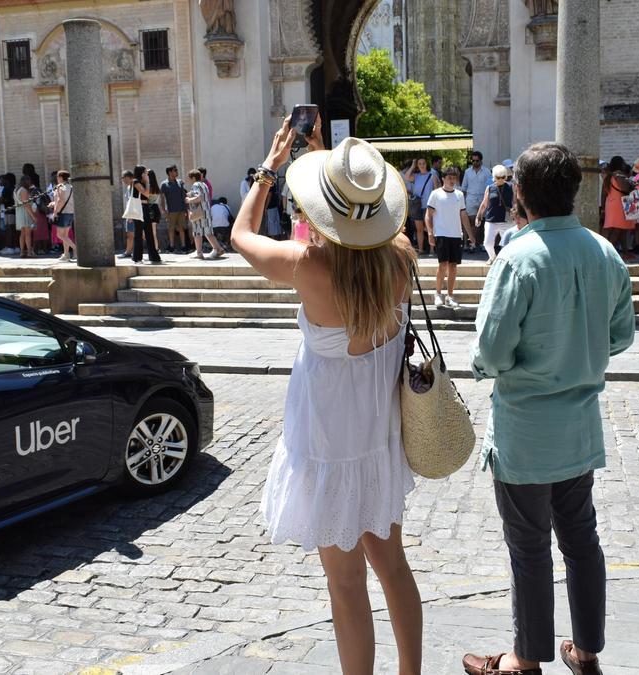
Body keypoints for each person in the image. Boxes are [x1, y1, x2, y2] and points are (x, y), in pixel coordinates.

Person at [234, 118, 422, 675]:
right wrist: (327, 160)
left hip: (327, 447)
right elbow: (373, 236)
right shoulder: (402, 257)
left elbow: (241, 236)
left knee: (345, 587)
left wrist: (271, 168)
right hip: (378, 444)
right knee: (394, 569)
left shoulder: (307, 268)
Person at [464, 142, 634, 675]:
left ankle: (524, 659)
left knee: (530, 548)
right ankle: (585, 652)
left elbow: (490, 354)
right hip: (579, 428)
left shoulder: (517, 257)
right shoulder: (604, 252)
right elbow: (621, 336)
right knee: (582, 539)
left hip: (526, 432)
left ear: (519, 194)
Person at [426, 166, 469, 308]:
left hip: (456, 234)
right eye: (449, 177)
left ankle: (450, 296)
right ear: (443, 178)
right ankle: (438, 294)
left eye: (454, 177)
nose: (452, 180)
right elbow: (428, 214)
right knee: (443, 264)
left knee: (453, 266)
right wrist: (430, 232)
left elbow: (463, 214)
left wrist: (470, 233)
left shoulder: (460, 195)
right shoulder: (435, 194)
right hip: (441, 233)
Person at [477, 164, 515, 263]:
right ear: (494, 177)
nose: (501, 180)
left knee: (509, 243)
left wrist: (515, 213)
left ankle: (506, 260)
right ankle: (492, 257)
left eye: (503, 177)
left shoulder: (511, 186)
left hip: (506, 220)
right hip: (491, 219)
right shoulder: (489, 188)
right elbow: (484, 204)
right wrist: (479, 216)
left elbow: (515, 202)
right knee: (487, 243)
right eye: (498, 177)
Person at [601, 156, 637, 260]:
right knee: (618, 229)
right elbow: (625, 188)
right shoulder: (619, 174)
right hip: (619, 204)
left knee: (614, 228)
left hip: (610, 203)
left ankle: (621, 251)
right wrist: (633, 185)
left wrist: (603, 207)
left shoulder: (608, 176)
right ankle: (608, 253)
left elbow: (603, 194)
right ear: (620, 164)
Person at [186, 168, 225, 260]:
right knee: (208, 232)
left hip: (198, 212)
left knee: (197, 232)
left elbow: (199, 198)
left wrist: (189, 200)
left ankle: (199, 252)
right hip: (206, 211)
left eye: (189, 178)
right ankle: (217, 248)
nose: (189, 180)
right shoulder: (204, 184)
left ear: (193, 178)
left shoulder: (195, 185)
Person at [403, 157, 439, 256]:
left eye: (423, 163)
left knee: (429, 227)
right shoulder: (416, 176)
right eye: (419, 164)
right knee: (419, 229)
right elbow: (406, 177)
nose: (422, 165)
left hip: (428, 206)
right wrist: (412, 166)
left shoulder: (432, 176)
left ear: (426, 164)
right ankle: (421, 249)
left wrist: (436, 205)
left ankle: (432, 249)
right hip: (417, 205)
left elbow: (437, 191)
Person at [461, 151, 492, 251]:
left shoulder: (487, 171)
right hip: (470, 198)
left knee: (483, 222)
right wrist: (462, 202)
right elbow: (464, 187)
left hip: (483, 198)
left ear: (481, 161)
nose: (474, 162)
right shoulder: (467, 172)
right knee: (470, 221)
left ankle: (481, 243)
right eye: (473, 160)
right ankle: (468, 243)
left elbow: (490, 187)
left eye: (477, 160)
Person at [133, 166, 163, 263]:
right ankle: (137, 257)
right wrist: (147, 182)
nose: (147, 174)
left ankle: (153, 256)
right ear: (141, 173)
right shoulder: (136, 182)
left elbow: (149, 195)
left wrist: (147, 182)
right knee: (138, 233)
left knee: (149, 232)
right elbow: (146, 194)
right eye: (145, 172)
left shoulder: (144, 183)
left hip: (145, 208)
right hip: (138, 209)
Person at [161, 165, 190, 254]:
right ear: (170, 172)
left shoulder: (180, 182)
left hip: (181, 210)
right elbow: (162, 197)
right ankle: (172, 246)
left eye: (177, 170)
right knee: (171, 229)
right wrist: (163, 209)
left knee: (181, 228)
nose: (177, 172)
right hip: (170, 210)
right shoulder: (164, 184)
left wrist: (186, 209)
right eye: (175, 170)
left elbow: (183, 195)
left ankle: (183, 246)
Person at [14, 174, 37, 258]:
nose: (30, 182)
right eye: (29, 181)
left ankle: (22, 252)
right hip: (25, 212)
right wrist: (33, 216)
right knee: (27, 233)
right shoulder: (24, 190)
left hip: (19, 212)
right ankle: (29, 252)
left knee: (22, 233)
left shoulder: (16, 190)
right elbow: (26, 205)